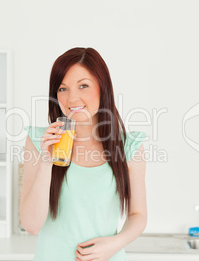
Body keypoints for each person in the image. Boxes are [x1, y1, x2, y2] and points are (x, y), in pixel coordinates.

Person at [20, 47, 147, 261]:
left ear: (102, 87)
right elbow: (31, 225)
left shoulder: (129, 146)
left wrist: (113, 245)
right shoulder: (38, 141)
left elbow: (138, 215)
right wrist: (45, 162)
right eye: (63, 89)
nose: (72, 98)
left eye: (83, 86)